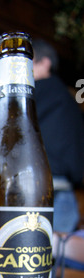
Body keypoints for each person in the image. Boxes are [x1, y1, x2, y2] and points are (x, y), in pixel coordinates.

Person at [32, 39, 84, 233]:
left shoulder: (41, 90)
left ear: (45, 63)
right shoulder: (69, 101)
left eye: (30, 61)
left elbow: (3, 123)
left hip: (45, 198)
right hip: (67, 198)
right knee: (53, 262)